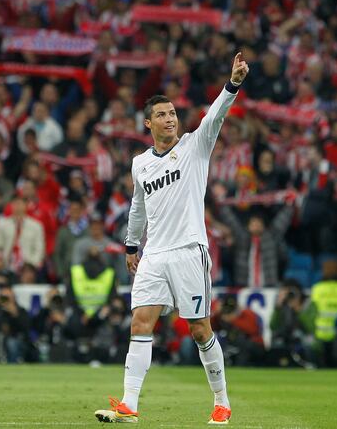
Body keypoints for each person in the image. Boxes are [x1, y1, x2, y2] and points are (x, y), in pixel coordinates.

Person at [95, 52, 249, 424]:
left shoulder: (195, 147)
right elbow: (138, 207)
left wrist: (233, 85)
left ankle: (222, 401)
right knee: (140, 322)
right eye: (161, 115)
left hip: (188, 252)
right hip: (154, 255)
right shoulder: (140, 164)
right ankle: (130, 404)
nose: (169, 119)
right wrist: (132, 245)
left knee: (199, 330)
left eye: (173, 114)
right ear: (148, 123)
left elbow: (215, 115)